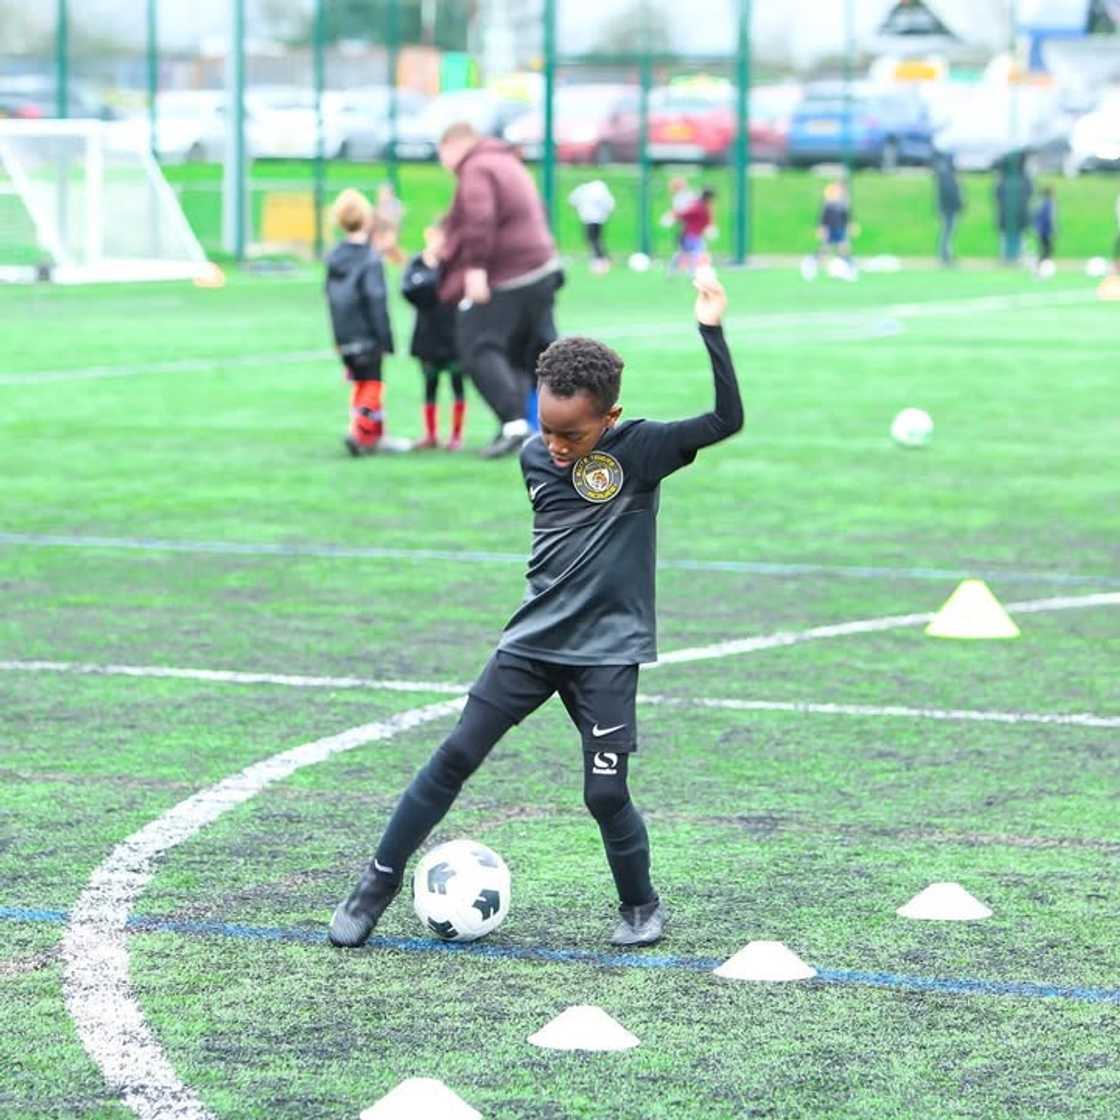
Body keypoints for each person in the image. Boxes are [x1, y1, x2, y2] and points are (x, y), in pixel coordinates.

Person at [329, 272, 744, 951]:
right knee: (454, 754)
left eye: (572, 435)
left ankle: (641, 905)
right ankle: (374, 883)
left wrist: (711, 328)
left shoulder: (641, 449)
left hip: (608, 652)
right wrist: (555, 444)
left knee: (605, 796)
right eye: (547, 428)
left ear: (608, 419)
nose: (555, 445)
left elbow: (727, 420)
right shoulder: (534, 455)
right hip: (533, 643)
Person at [436, 121, 563, 460]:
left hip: (510, 271)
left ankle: (514, 424)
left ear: (452, 145)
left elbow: (480, 218)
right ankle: (534, 425)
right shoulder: (506, 161)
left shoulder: (476, 167)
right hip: (541, 266)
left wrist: (475, 268)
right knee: (520, 353)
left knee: (477, 344)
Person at [324, 189, 395, 457]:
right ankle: (359, 430)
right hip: (367, 335)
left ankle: (374, 436)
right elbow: (376, 299)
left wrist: (338, 339)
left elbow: (331, 299)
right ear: (367, 220)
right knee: (373, 384)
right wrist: (385, 337)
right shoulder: (369, 259)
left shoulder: (334, 258)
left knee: (360, 384)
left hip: (344, 335)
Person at [401, 223, 467, 450]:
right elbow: (409, 290)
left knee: (457, 384)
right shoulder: (417, 263)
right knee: (430, 384)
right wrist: (432, 277)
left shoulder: (454, 265)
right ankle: (430, 434)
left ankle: (456, 436)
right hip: (427, 336)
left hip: (453, 336)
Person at [804, 180, 856, 280]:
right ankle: (811, 264)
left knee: (844, 249)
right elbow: (823, 216)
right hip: (830, 229)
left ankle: (849, 269)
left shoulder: (844, 202)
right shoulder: (829, 202)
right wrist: (821, 228)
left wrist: (850, 225)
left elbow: (847, 216)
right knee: (824, 250)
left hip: (840, 229)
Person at [569, 179, 615, 273]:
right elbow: (610, 204)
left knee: (592, 240)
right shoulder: (601, 189)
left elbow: (572, 200)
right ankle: (603, 260)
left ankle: (600, 261)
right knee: (596, 240)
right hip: (599, 219)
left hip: (589, 218)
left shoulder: (583, 189)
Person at [995, 152, 1032, 265]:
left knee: (1014, 236)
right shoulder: (1022, 179)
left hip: (1016, 215)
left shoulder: (1005, 180)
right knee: (1010, 236)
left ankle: (1013, 256)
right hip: (1012, 215)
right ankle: (1010, 257)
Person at [673, 187, 716, 274]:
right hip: (691, 235)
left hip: (692, 234)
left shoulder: (702, 206)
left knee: (685, 253)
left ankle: (672, 271)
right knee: (697, 252)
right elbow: (685, 214)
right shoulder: (699, 206)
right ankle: (694, 272)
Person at [933, 152, 963, 266]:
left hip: (946, 208)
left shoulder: (943, 174)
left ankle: (946, 254)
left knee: (947, 232)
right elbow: (951, 193)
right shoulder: (947, 175)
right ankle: (945, 255)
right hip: (948, 208)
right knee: (947, 232)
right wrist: (959, 204)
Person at [370, 182, 405, 265]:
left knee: (390, 249)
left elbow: (395, 222)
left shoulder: (395, 205)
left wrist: (382, 218)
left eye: (383, 193)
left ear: (390, 194)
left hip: (390, 232)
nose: (381, 196)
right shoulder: (378, 205)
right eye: (380, 193)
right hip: (380, 233)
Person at [1033, 186, 1057, 275]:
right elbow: (1049, 219)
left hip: (1043, 231)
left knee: (1046, 250)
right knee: (1046, 250)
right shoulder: (1048, 204)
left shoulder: (1043, 203)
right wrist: (1053, 230)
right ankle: (1041, 268)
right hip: (1045, 231)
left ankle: (1041, 267)